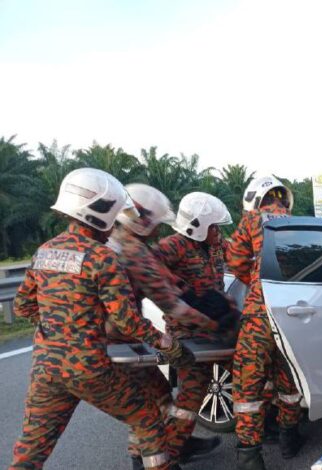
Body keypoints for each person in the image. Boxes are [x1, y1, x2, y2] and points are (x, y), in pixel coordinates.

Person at [9, 168, 193, 470]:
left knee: (31, 449)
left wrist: (59, 327)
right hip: (88, 369)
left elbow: (24, 305)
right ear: (101, 213)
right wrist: (169, 345)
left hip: (45, 369)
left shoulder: (44, 251)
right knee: (147, 416)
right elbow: (127, 321)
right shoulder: (101, 257)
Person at [107, 184, 222, 469]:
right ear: (141, 221)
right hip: (120, 341)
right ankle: (155, 458)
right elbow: (172, 302)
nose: (159, 230)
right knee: (149, 408)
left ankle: (175, 446)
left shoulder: (116, 243)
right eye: (156, 223)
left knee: (156, 400)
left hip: (118, 340)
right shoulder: (138, 252)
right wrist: (217, 324)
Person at [227, 176, 304, 470]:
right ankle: (289, 439)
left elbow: (234, 261)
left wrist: (256, 282)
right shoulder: (299, 224)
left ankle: (250, 457)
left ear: (257, 199)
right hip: (292, 316)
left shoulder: (252, 219)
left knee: (248, 387)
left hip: (260, 315)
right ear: (284, 199)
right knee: (289, 379)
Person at [154, 192, 233, 462]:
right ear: (197, 227)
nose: (218, 232)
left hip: (217, 328)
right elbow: (145, 268)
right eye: (213, 227)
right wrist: (183, 293)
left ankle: (178, 443)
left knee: (248, 372)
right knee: (192, 394)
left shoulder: (215, 244)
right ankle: (173, 450)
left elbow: (241, 258)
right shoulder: (173, 246)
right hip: (188, 334)